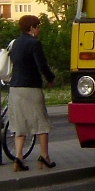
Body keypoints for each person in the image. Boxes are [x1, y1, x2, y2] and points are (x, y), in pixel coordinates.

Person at [7, 15, 56, 171]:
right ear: (32, 28)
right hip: (31, 88)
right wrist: (50, 78)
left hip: (15, 87)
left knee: (19, 124)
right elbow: (42, 65)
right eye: (38, 26)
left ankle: (19, 157)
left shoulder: (15, 43)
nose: (39, 29)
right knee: (41, 123)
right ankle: (44, 156)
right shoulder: (34, 44)